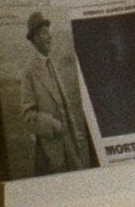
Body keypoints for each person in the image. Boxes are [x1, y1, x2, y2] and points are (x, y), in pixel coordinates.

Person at [20, 9, 92, 173]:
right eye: (44, 33)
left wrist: (73, 131)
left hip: (70, 143)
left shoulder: (52, 63)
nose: (49, 37)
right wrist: (53, 124)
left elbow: (64, 104)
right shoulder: (29, 72)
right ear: (35, 38)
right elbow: (28, 117)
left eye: (49, 32)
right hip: (50, 150)